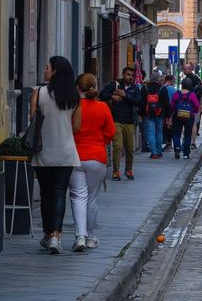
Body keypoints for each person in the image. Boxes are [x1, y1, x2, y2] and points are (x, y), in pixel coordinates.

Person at [30, 56, 81, 254]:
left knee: (46, 194)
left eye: (47, 67)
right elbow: (76, 126)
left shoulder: (38, 93)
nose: (45, 70)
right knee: (60, 193)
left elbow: (32, 120)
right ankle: (56, 237)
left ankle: (47, 233)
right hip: (66, 151)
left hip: (43, 150)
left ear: (55, 71)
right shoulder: (74, 97)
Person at [69, 73, 115, 251]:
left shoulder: (73, 106)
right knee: (91, 199)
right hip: (97, 157)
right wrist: (99, 141)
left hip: (76, 156)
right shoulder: (102, 107)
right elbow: (110, 133)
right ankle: (91, 237)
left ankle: (80, 236)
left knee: (78, 196)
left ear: (77, 88)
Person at [100, 67, 142, 181]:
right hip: (116, 120)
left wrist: (125, 95)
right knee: (117, 146)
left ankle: (129, 170)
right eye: (128, 74)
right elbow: (102, 94)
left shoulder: (135, 88)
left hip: (129, 121)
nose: (130, 77)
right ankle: (116, 171)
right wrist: (112, 96)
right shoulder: (115, 84)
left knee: (130, 148)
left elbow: (138, 102)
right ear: (123, 74)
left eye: (132, 75)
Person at [171, 78, 201, 159]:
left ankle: (177, 148)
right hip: (189, 116)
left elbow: (172, 105)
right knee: (187, 134)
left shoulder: (176, 94)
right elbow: (197, 106)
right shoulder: (192, 95)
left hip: (177, 116)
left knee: (176, 133)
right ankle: (186, 153)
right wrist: (193, 111)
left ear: (182, 85)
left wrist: (172, 114)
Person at [141, 75, 170, 159]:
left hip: (148, 114)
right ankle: (159, 151)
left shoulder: (145, 88)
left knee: (150, 132)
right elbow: (167, 103)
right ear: (158, 80)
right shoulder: (163, 88)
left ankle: (153, 152)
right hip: (160, 114)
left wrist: (141, 113)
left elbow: (141, 102)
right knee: (159, 132)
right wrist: (168, 115)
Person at [182, 63, 202, 151]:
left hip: (186, 105)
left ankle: (186, 141)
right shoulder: (197, 79)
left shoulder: (186, 80)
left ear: (189, 69)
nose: (183, 71)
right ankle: (193, 142)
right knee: (194, 124)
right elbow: (201, 93)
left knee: (185, 123)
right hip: (196, 104)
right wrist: (200, 105)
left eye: (184, 69)